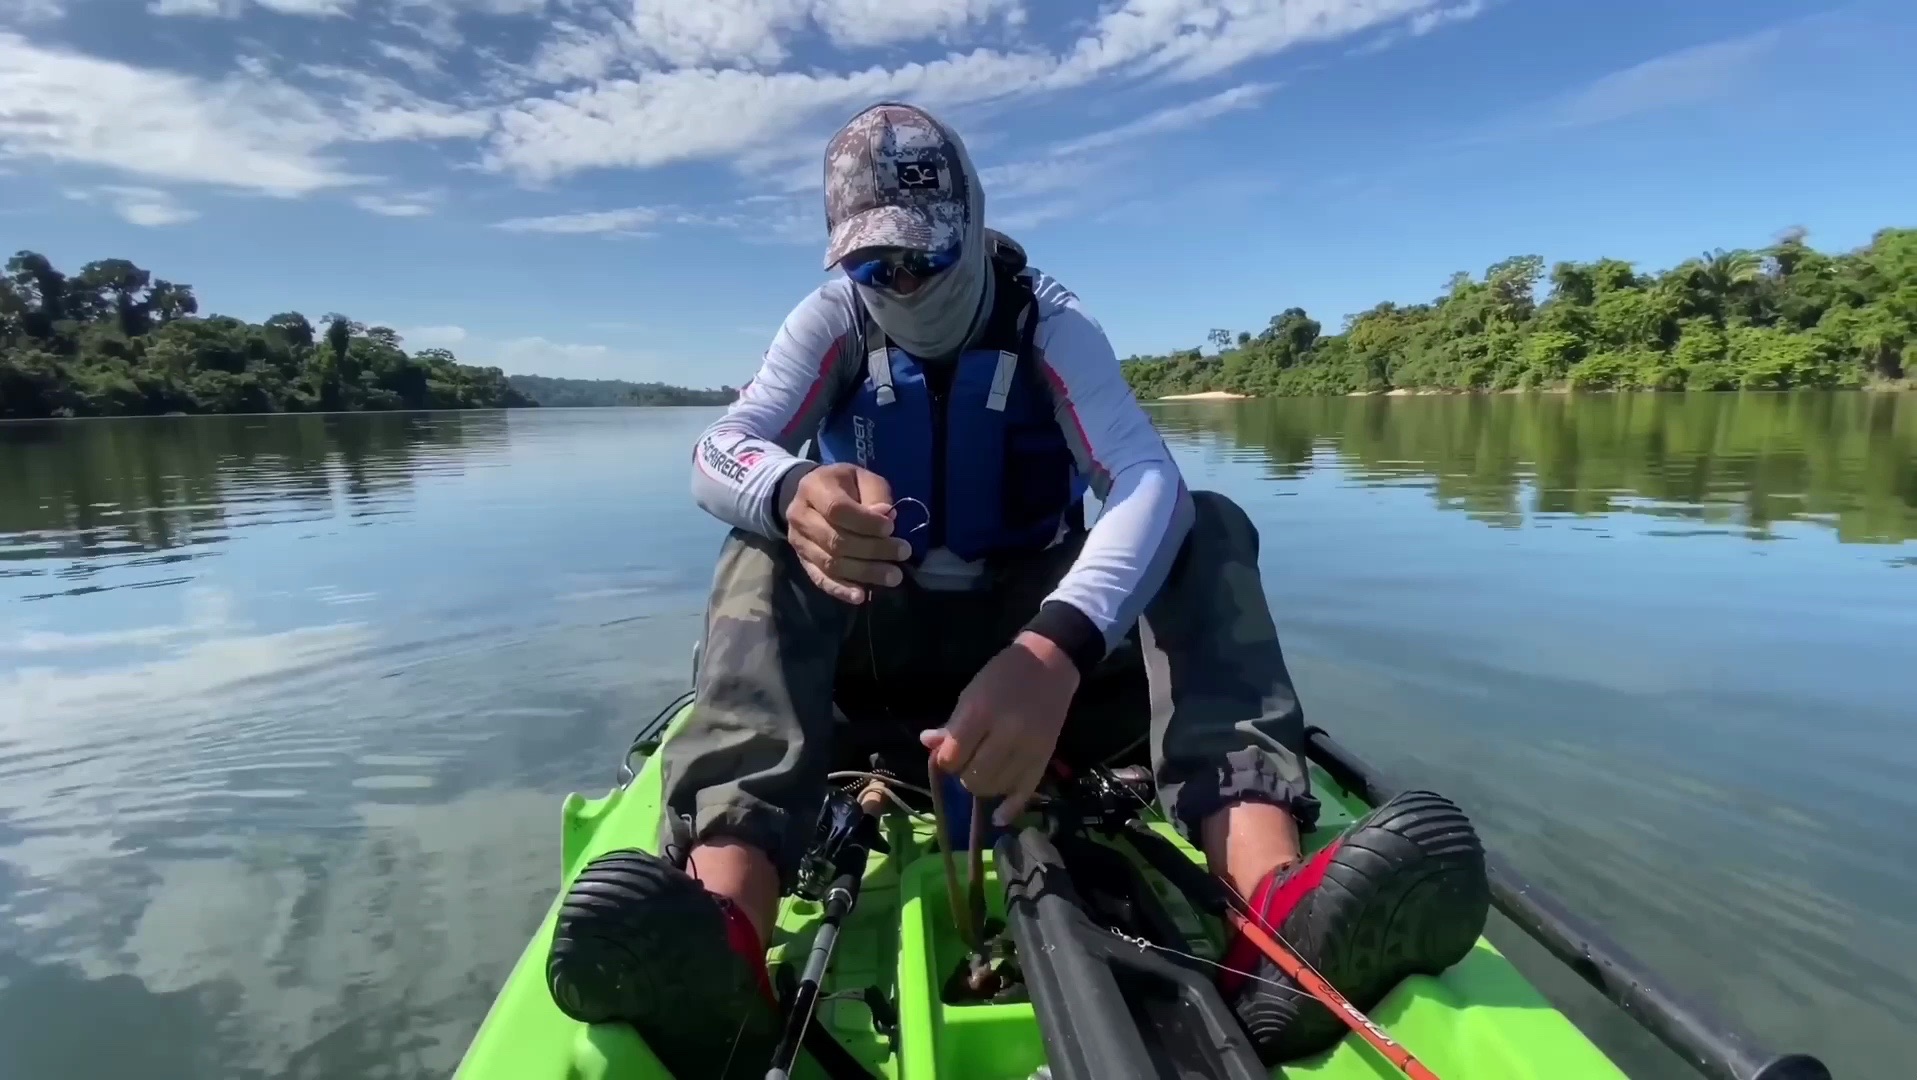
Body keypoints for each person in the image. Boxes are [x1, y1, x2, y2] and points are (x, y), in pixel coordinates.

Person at [546, 101, 1491, 1075]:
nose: (904, 283)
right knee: (759, 547)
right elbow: (717, 450)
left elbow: (1148, 483)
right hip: (879, 664)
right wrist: (789, 492)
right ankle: (726, 935)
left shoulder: (1050, 321)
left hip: (1046, 672)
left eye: (926, 256)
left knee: (1204, 526)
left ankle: (1272, 916)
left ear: (974, 224)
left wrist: (1052, 650)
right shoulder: (831, 323)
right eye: (877, 264)